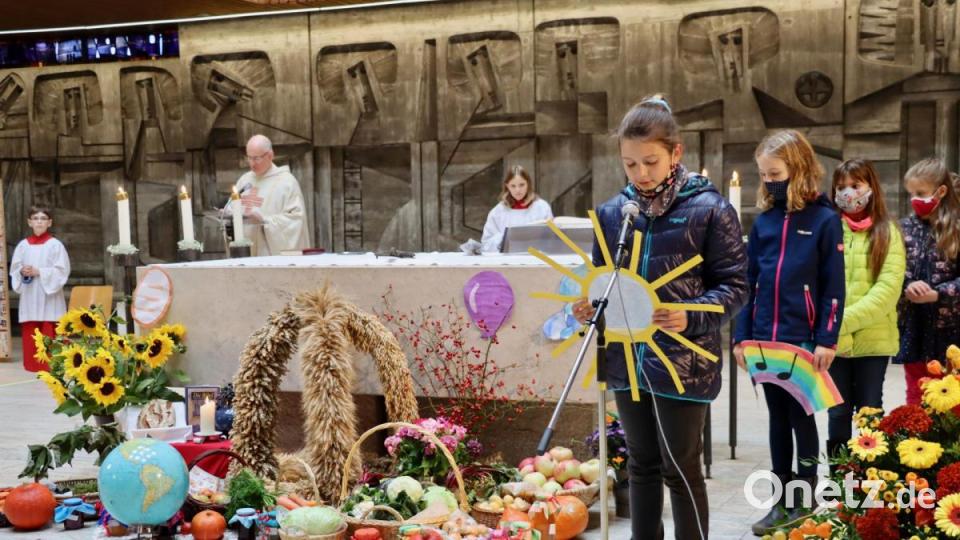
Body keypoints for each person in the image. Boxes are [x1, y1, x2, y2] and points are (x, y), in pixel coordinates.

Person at [573, 96, 748, 540]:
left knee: (680, 467)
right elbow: (604, 280)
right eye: (630, 164)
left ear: (676, 152)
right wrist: (591, 307)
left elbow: (736, 286)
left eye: (650, 161)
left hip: (683, 359)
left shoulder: (710, 210)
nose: (641, 173)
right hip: (627, 358)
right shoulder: (615, 213)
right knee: (640, 464)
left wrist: (691, 314)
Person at [732, 130, 845, 535]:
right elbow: (748, 284)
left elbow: (834, 287)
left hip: (802, 340)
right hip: (764, 337)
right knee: (777, 418)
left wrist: (826, 338)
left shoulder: (825, 221)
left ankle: (803, 496)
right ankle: (780, 499)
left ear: (797, 169)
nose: (769, 181)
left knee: (801, 418)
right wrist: (741, 337)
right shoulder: (763, 223)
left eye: (775, 173)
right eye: (763, 175)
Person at [825, 159, 904, 464]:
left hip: (873, 340)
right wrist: (831, 329)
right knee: (838, 410)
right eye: (841, 187)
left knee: (870, 408)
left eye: (855, 186)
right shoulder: (828, 229)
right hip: (835, 342)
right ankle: (838, 478)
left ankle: (870, 475)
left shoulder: (888, 232)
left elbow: (887, 291)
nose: (848, 193)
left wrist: (840, 322)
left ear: (871, 187)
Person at [896, 157, 960, 405]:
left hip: (951, 326)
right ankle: (917, 441)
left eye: (920, 193)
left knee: (951, 393)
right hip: (915, 324)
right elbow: (892, 271)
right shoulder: (903, 228)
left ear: (941, 191)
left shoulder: (956, 229)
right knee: (917, 389)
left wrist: (940, 294)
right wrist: (907, 285)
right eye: (911, 193)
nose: (914, 200)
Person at [9, 206, 70, 372]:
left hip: (48, 294)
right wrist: (22, 271)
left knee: (49, 323)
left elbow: (62, 271)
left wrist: (39, 272)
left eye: (43, 218)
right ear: (29, 222)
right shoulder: (23, 246)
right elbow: (14, 269)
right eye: (35, 218)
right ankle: (32, 364)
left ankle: (53, 364)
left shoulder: (55, 245)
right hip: (30, 293)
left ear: (49, 222)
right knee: (31, 326)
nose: (39, 222)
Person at [228, 134, 311, 256]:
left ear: (270, 155)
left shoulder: (287, 182)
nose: (252, 164)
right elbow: (233, 207)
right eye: (249, 158)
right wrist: (228, 213)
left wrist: (264, 221)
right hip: (245, 252)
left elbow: (295, 220)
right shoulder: (244, 180)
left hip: (268, 253)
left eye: (256, 158)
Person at [480, 165, 553, 252]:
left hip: (536, 259)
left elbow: (551, 240)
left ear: (528, 184)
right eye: (513, 186)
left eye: (521, 185)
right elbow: (486, 244)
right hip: (506, 261)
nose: (517, 190)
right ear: (507, 186)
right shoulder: (498, 211)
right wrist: (504, 237)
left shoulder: (542, 208)